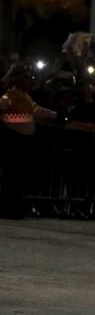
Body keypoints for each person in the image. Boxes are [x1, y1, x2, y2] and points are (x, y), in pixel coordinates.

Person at [0, 63, 58, 218]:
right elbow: (2, 106)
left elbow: (37, 110)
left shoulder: (26, 97)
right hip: (13, 139)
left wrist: (57, 115)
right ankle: (8, 208)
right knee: (11, 175)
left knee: (19, 176)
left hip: (24, 141)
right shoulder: (10, 95)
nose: (29, 82)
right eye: (26, 79)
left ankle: (15, 207)